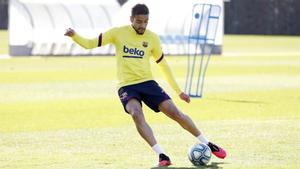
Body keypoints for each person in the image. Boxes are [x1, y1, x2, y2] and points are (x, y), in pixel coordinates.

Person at [64, 4, 226, 167]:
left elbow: (163, 65)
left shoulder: (152, 38)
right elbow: (89, 44)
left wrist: (179, 92)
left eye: (146, 22)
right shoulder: (117, 33)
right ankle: (162, 155)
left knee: (175, 113)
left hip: (148, 83)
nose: (142, 25)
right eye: (139, 21)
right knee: (136, 114)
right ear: (131, 19)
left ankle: (208, 143)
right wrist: (74, 35)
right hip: (127, 86)